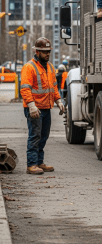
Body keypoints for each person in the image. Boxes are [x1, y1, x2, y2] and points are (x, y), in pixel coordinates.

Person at [20, 38, 65, 175]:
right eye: (44, 52)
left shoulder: (50, 67)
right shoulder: (29, 67)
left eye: (48, 52)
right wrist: (32, 105)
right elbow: (25, 88)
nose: (47, 54)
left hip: (46, 107)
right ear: (37, 51)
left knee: (43, 136)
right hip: (34, 109)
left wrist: (58, 101)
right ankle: (32, 164)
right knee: (35, 136)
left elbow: (54, 87)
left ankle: (39, 162)